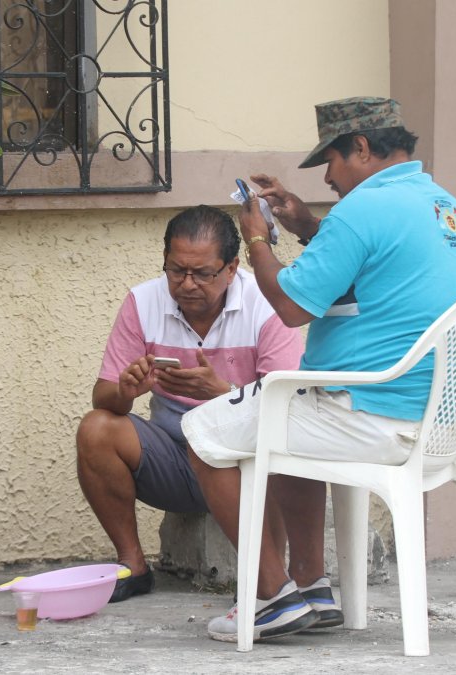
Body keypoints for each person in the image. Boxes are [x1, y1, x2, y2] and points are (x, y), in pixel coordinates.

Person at [182, 97, 456, 642]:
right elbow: (370, 264)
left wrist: (256, 236)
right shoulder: (445, 207)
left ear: (362, 149)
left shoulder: (364, 209)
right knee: (289, 411)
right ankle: (311, 586)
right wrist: (305, 222)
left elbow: (293, 307)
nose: (328, 175)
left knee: (204, 431)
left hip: (369, 414)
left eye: (332, 161)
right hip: (433, 421)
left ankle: (270, 599)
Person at [75, 205, 312, 604]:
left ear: (232, 267)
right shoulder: (143, 301)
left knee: (277, 444)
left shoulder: (264, 302)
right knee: (96, 427)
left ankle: (272, 584)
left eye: (203, 273)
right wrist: (127, 388)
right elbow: (103, 396)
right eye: (176, 270)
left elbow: (287, 402)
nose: (187, 284)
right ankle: (133, 565)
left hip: (244, 461)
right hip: (174, 458)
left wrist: (222, 392)